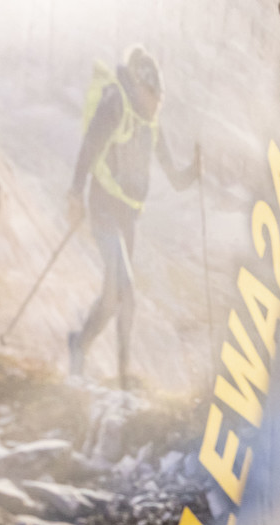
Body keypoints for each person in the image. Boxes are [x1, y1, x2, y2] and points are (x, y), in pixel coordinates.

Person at [66, 45, 199, 389]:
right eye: (154, 96)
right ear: (141, 87)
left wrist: (195, 169)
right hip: (103, 208)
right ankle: (124, 379)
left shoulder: (151, 123)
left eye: (160, 99)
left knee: (113, 298)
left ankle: (79, 344)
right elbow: (89, 147)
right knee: (127, 293)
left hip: (128, 218)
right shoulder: (115, 104)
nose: (157, 104)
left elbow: (175, 178)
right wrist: (75, 194)